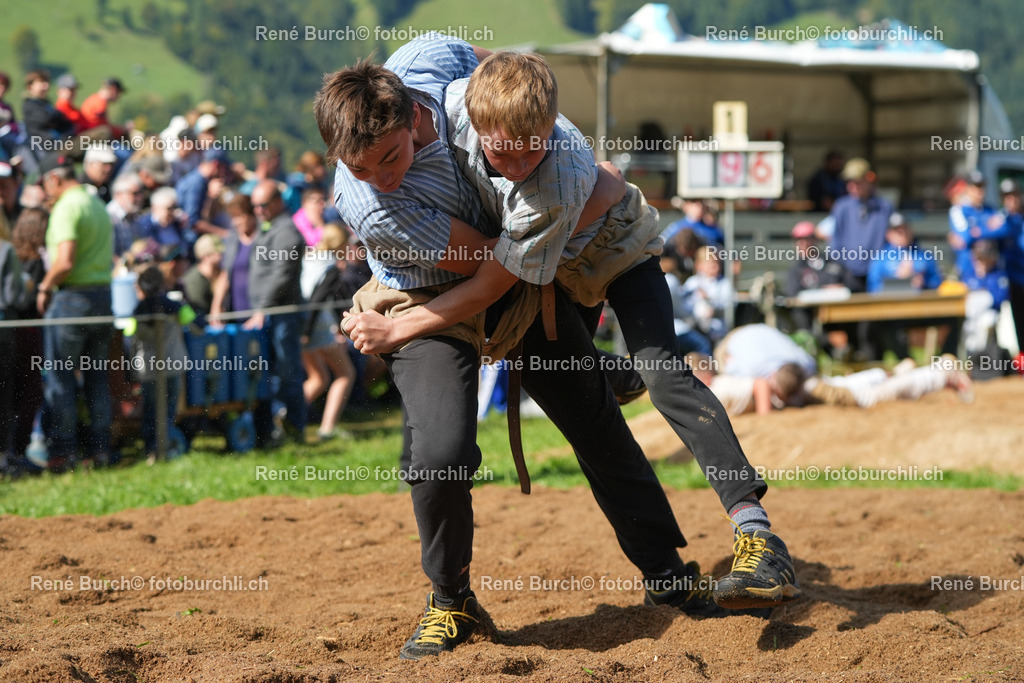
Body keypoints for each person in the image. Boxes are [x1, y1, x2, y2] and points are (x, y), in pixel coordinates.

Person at [321, 39, 797, 661]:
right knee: (439, 452)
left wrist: (525, 108)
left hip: (513, 274)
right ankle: (450, 599)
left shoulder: (440, 73)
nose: (383, 177)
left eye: (389, 158)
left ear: (413, 114)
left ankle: (667, 573)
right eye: (360, 167)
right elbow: (478, 260)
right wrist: (395, 331)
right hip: (425, 296)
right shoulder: (368, 202)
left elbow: (502, 266)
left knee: (596, 422)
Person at [35, 153, 114, 471]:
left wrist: (44, 286)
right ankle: (100, 451)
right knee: (97, 378)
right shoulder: (95, 203)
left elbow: (65, 262)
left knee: (60, 378)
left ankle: (63, 453)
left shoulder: (67, 207)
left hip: (72, 300)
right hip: (102, 300)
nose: (44, 192)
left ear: (54, 178)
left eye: (45, 185)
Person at [246, 180, 307, 442]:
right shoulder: (267, 227)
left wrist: (262, 308)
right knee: (268, 373)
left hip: (283, 314)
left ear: (278, 202)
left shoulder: (288, 232)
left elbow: (282, 275)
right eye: (255, 206)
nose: (258, 211)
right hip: (267, 314)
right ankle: (271, 429)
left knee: (287, 372)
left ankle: (295, 429)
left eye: (263, 205)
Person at [124, 264, 195, 460]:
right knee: (168, 411)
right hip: (173, 367)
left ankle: (152, 450)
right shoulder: (175, 306)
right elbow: (196, 324)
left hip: (149, 370)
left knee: (151, 411)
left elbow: (128, 338)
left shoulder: (136, 312)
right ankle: (166, 447)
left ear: (140, 288)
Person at [300, 224, 356, 442]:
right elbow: (318, 299)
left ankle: (283, 417)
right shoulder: (331, 267)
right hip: (317, 328)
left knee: (318, 378)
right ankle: (327, 429)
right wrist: (308, 332)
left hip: (302, 324)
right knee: (345, 374)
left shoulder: (308, 258)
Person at [8, 208, 47, 471]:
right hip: (27, 335)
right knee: (29, 392)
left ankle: (12, 450)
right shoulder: (33, 262)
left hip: (14, 334)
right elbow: (28, 301)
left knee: (14, 393)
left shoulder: (10, 257)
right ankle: (16, 451)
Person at [827, 157, 892, 292]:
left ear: (869, 179)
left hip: (879, 274)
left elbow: (895, 240)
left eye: (857, 182)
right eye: (849, 182)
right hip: (849, 274)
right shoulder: (841, 207)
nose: (852, 187)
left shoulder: (884, 207)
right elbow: (836, 242)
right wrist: (839, 273)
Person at [0, 217, 26, 473]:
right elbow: (12, 296)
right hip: (2, 329)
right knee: (3, 394)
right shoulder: (5, 249)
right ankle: (2, 457)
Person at [948, 171, 1006, 278]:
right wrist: (988, 229)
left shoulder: (990, 209)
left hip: (992, 269)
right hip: (970, 271)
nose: (980, 191)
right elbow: (966, 238)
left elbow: (1004, 230)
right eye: (976, 187)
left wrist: (979, 231)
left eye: (982, 186)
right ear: (968, 189)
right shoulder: (959, 210)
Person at [679, 245, 733, 343]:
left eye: (718, 264)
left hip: (717, 331)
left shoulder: (724, 283)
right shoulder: (693, 282)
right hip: (696, 328)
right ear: (699, 265)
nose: (716, 268)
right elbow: (684, 304)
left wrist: (711, 303)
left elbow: (729, 305)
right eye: (712, 264)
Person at [997, 178, 1024, 351]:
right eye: (1007, 197)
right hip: (1014, 280)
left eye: (1014, 196)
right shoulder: (1001, 221)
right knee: (1020, 323)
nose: (1011, 201)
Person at [182, 234, 223, 316]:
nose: (221, 254)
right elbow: (198, 310)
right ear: (205, 256)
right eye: (216, 252)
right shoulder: (194, 279)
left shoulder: (221, 273)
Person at [107, 172, 146, 257]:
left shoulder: (134, 217)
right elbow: (108, 254)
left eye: (140, 193)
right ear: (118, 194)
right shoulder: (108, 217)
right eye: (134, 193)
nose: (139, 198)